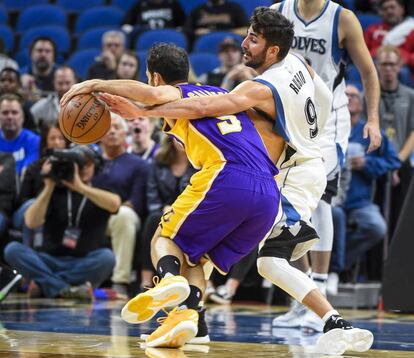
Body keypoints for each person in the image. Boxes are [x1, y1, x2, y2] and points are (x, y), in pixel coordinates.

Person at [62, 8, 375, 354]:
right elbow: (321, 88)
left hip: (284, 173)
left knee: (181, 241)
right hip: (293, 169)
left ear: (273, 51)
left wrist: (109, 92)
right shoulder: (297, 63)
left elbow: (198, 103)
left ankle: (172, 284)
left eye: (253, 39)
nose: (244, 45)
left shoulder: (256, 87)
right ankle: (195, 321)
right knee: (204, 257)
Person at [62, 42, 282, 349]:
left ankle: (168, 281)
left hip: (229, 176)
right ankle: (191, 320)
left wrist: (93, 84)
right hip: (269, 194)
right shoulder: (219, 94)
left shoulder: (179, 92)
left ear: (154, 76)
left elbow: (154, 96)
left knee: (163, 239)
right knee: (195, 256)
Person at [272, 0, 382, 332]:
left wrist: (373, 119)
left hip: (329, 119)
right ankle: (304, 294)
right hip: (291, 113)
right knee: (286, 202)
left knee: (317, 198)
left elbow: (368, 72)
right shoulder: (280, 11)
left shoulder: (342, 18)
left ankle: (318, 286)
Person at [4, 146, 120, 301]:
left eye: (88, 164)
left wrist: (80, 187)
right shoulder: (55, 191)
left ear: (96, 166)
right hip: (49, 260)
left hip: (83, 262)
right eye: (79, 164)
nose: (84, 168)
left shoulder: (99, 191)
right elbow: (31, 222)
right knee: (12, 250)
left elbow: (115, 204)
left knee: (107, 258)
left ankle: (47, 285)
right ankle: (68, 289)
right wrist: (48, 186)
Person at [330, 85, 400, 286]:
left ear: (361, 104)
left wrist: (367, 164)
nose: (349, 98)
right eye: (345, 95)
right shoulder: (331, 128)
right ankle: (332, 268)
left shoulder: (369, 131)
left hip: (360, 200)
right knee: (335, 217)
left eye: (353, 96)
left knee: (376, 227)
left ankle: (337, 265)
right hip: (332, 197)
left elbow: (392, 161)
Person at [92, 113, 149, 296]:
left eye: (117, 127)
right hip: (90, 216)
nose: (113, 131)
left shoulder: (139, 165)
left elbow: (136, 203)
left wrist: (111, 206)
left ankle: (120, 281)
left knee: (123, 215)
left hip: (121, 218)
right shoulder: (90, 162)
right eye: (109, 127)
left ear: (126, 135)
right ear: (99, 135)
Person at [140, 136, 196, 291]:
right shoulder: (158, 163)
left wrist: (177, 210)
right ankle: (145, 282)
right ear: (171, 138)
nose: (182, 141)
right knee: (152, 220)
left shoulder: (200, 164)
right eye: (178, 137)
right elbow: (151, 197)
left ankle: (191, 283)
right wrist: (163, 209)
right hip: (161, 213)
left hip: (189, 214)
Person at [375, 45, 414, 236]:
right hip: (376, 164)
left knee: (399, 216)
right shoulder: (370, 95)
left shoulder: (410, 96)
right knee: (377, 214)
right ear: (377, 66)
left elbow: (413, 133)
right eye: (384, 64)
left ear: (399, 66)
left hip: (401, 162)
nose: (388, 69)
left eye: (392, 64)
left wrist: (397, 162)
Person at [364, 0, 414, 78]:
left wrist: (405, 58)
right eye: (385, 9)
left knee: (403, 72)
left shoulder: (411, 29)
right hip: (375, 66)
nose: (389, 11)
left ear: (402, 9)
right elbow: (362, 53)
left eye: (392, 7)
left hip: (404, 70)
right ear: (381, 12)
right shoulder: (372, 30)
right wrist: (379, 52)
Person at [0, 93, 40, 176]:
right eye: (5, 113)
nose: (10, 117)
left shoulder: (35, 141)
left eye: (14, 112)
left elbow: (27, 173)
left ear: (22, 117)